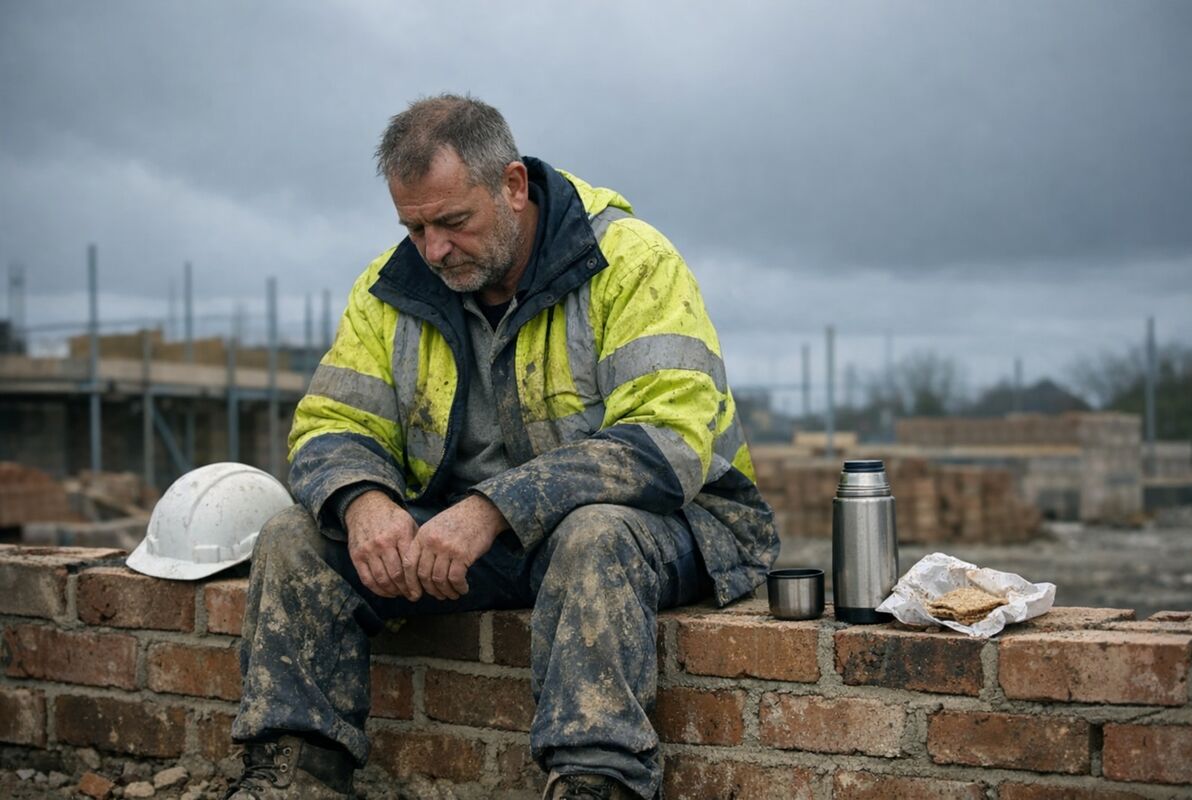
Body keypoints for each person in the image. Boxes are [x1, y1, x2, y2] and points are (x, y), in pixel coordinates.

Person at [225, 94, 778, 800]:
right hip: (472, 544)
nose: (434, 250)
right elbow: (332, 423)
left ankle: (594, 777)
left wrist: (493, 507)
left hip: (678, 525)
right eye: (415, 227)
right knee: (293, 536)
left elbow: (666, 442)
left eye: (454, 222)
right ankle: (294, 774)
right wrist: (362, 502)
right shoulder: (389, 288)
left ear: (513, 186)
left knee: (593, 533)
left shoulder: (631, 263)